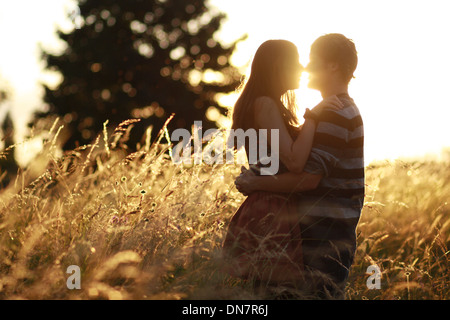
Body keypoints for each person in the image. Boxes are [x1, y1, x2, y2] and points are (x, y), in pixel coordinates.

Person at [235, 33, 364, 299]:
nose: (304, 67)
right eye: (297, 62)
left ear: (332, 66)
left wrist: (254, 181)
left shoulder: (334, 113)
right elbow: (296, 165)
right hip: (302, 231)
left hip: (323, 237)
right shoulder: (325, 111)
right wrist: (313, 116)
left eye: (310, 60)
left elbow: (305, 178)